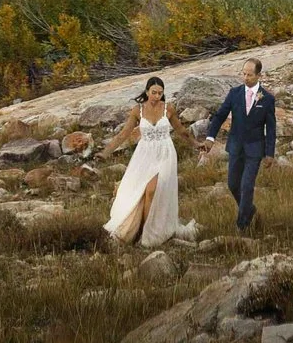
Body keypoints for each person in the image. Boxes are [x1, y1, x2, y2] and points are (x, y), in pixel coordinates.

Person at [103, 75, 198, 247]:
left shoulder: (168, 108)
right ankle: (138, 229)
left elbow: (181, 131)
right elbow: (123, 134)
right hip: (144, 154)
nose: (157, 96)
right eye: (154, 93)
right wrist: (106, 152)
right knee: (139, 192)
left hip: (165, 153)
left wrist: (196, 144)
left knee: (152, 190)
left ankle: (146, 233)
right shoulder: (137, 110)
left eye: (160, 93)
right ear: (147, 92)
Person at [201, 57, 277, 233]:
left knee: (247, 185)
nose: (246, 78)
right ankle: (250, 210)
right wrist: (210, 138)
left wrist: (269, 153)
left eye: (250, 75)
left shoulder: (267, 99)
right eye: (243, 74)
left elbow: (271, 128)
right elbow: (220, 115)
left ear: (259, 75)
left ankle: (242, 225)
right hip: (235, 146)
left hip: (255, 148)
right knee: (233, 184)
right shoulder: (234, 93)